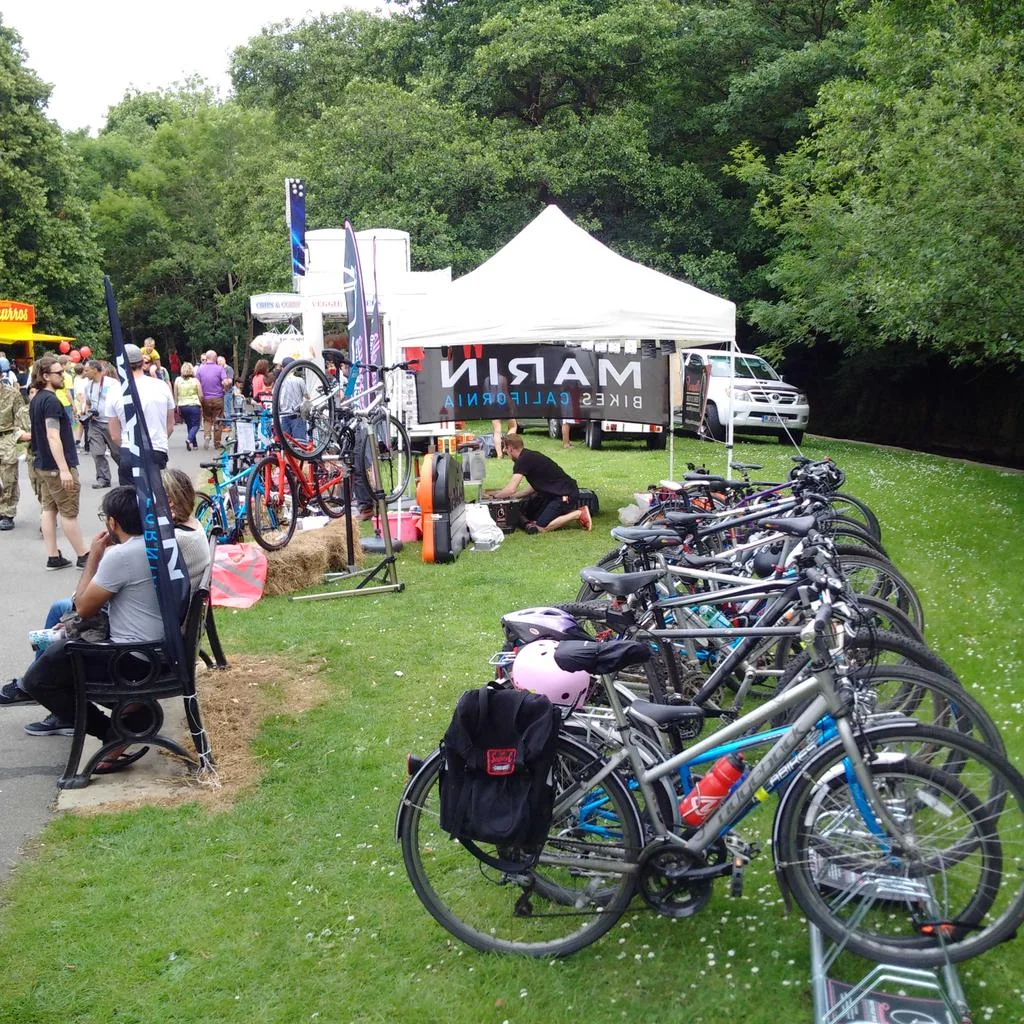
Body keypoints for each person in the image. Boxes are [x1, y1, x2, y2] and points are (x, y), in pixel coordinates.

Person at [7, 487, 166, 753]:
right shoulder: (155, 545)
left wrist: (94, 555)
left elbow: (82, 606)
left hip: (132, 661)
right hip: (158, 654)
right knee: (59, 649)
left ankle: (113, 731)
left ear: (113, 522)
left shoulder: (121, 555)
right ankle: (133, 714)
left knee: (39, 679)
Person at [29, 355, 90, 568]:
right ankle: (84, 556)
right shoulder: (51, 401)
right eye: (59, 373)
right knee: (68, 511)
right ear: (46, 376)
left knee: (49, 509)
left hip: (42, 465)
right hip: (56, 467)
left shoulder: (36, 399)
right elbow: (52, 436)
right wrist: (64, 469)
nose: (63, 376)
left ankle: (53, 556)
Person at [484, 434, 591, 534]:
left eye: (505, 448)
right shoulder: (528, 456)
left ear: (510, 448)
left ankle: (578, 513)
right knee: (534, 518)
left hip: (565, 494)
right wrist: (512, 496)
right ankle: (566, 512)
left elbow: (511, 489)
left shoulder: (523, 460)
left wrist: (494, 497)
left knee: (540, 527)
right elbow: (534, 486)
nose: (504, 451)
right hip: (559, 493)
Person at [105, 343, 175, 486]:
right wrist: (158, 439)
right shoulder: (161, 386)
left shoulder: (114, 391)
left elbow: (114, 435)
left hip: (129, 451)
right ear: (143, 363)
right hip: (156, 449)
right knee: (158, 497)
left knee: (130, 501)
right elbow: (170, 425)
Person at [0, 362, 31, 530]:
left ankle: (7, 513)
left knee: (8, 478)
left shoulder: (13, 395)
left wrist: (23, 438)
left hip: (7, 438)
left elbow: (21, 419)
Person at [81, 359, 117, 489]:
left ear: (95, 370)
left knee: (117, 452)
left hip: (111, 422)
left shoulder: (112, 383)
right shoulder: (88, 386)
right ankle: (103, 478)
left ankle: (128, 473)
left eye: (87, 370)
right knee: (97, 452)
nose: (84, 373)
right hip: (95, 423)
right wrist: (86, 412)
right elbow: (89, 403)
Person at [195, 350, 228, 448]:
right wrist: (224, 389)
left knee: (207, 419)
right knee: (218, 420)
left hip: (205, 398)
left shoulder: (200, 369)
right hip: (218, 398)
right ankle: (217, 443)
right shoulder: (220, 369)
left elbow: (197, 384)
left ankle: (207, 436)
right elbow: (225, 382)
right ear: (215, 358)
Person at [173, 362, 203, 450]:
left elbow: (175, 394)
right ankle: (189, 439)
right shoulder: (195, 381)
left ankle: (195, 444)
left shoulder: (178, 380)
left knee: (189, 424)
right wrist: (200, 403)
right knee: (196, 425)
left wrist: (177, 405)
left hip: (182, 406)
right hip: (194, 405)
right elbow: (200, 395)